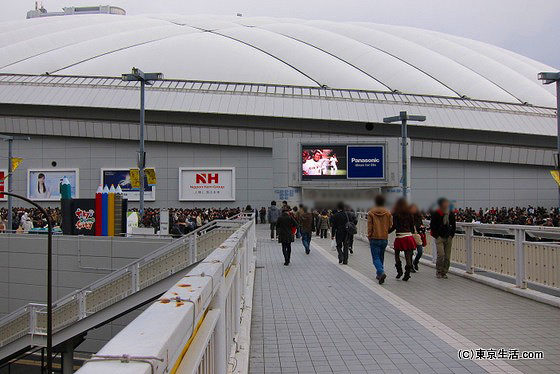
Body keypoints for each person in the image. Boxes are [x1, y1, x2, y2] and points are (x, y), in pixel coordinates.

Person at [367, 195, 392, 284]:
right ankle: (379, 274)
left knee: (376, 258)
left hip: (374, 237)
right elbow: (390, 226)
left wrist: (369, 236)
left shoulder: (371, 213)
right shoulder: (388, 213)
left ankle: (381, 272)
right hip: (384, 237)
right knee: (381, 256)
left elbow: (370, 227)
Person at [390, 198, 416, 281]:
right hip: (408, 236)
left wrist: (387, 231)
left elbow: (394, 226)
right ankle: (407, 273)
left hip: (399, 236)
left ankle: (399, 271)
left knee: (397, 254)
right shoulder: (410, 214)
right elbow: (412, 227)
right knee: (408, 256)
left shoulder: (396, 214)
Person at [430, 198, 456, 279]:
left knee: (447, 256)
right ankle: (438, 271)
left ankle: (444, 272)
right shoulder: (436, 213)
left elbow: (454, 225)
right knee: (441, 254)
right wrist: (436, 236)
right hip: (439, 237)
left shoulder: (450, 213)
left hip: (448, 236)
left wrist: (452, 235)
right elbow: (432, 225)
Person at [410, 203, 426, 272]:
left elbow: (421, 224)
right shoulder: (408, 216)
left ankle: (415, 262)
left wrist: (421, 227)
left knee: (420, 251)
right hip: (410, 235)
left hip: (418, 236)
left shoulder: (418, 217)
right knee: (410, 252)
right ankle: (410, 266)